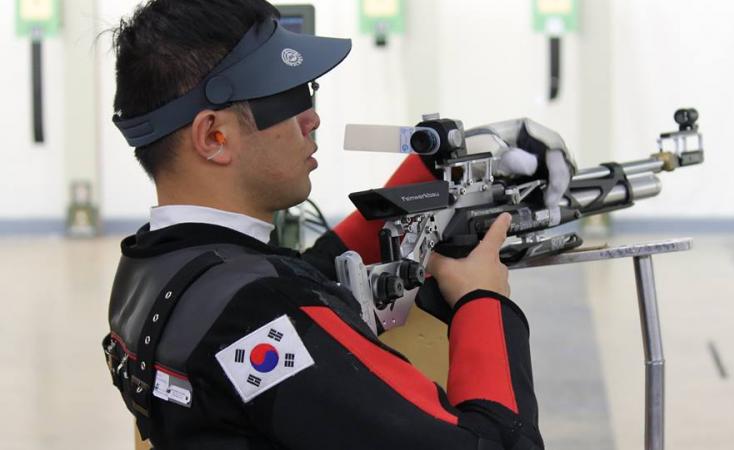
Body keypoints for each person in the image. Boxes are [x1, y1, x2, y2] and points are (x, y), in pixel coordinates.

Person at [102, 1, 571, 448]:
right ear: (214, 136)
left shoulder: (155, 267)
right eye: (287, 98)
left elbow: (308, 274)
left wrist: (445, 168)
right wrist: (482, 298)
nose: (312, 118)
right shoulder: (262, 313)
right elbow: (495, 442)